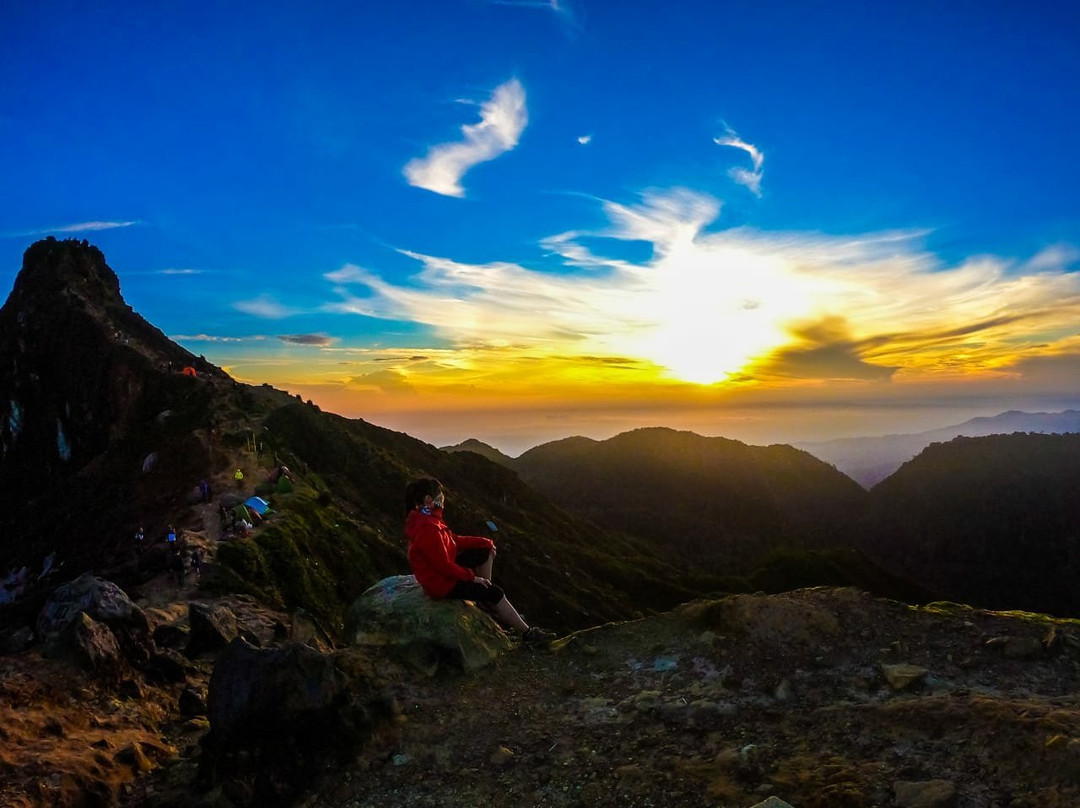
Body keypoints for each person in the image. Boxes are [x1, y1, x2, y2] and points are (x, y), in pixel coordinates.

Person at [404, 477, 555, 644]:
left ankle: (485, 598)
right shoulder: (428, 528)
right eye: (440, 495)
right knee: (495, 593)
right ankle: (528, 634)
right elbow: (443, 566)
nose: (443, 498)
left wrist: (485, 542)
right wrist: (472, 578)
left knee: (485, 551)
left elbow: (453, 540)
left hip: (442, 574)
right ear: (428, 499)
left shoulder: (429, 520)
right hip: (441, 584)